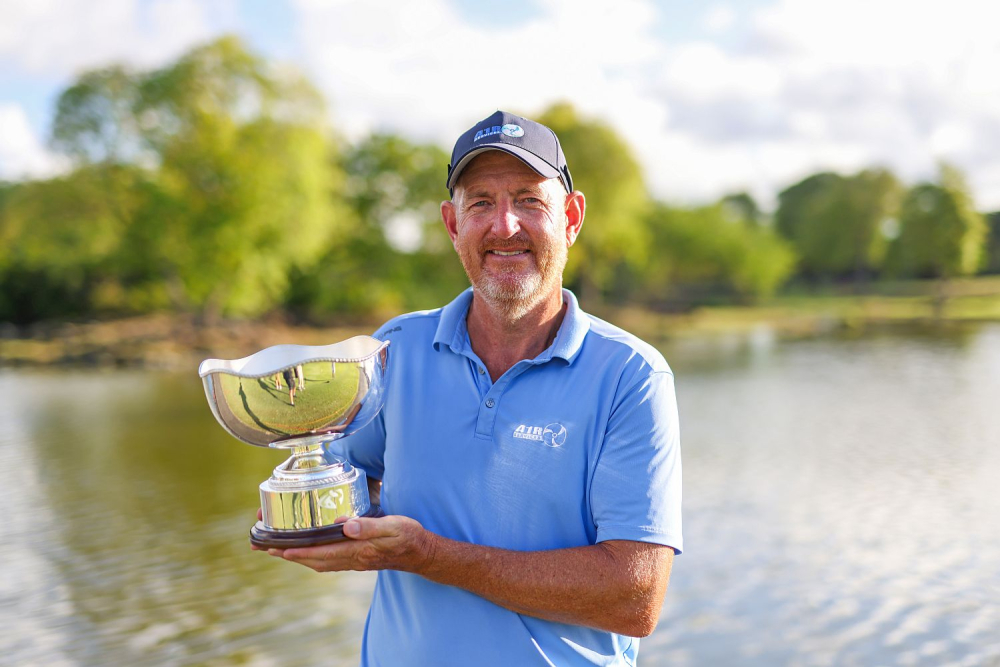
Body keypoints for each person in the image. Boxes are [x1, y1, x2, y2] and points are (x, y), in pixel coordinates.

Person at [257, 111, 682, 666]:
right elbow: (348, 485)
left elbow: (634, 598)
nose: (504, 225)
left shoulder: (631, 376)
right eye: (480, 202)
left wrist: (429, 554)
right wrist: (307, 514)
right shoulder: (393, 351)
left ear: (571, 218)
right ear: (453, 224)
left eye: (529, 199)